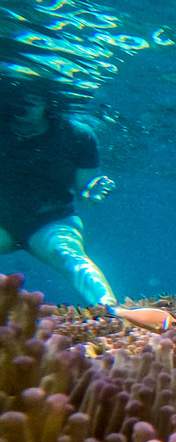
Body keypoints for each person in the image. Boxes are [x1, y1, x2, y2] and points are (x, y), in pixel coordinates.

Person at [0, 80, 117, 306]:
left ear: (48, 104)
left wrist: (93, 191)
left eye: (30, 103)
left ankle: (112, 312)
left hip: (51, 221)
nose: (20, 111)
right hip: (3, 223)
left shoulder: (77, 135)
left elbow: (85, 186)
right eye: (14, 102)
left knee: (69, 258)